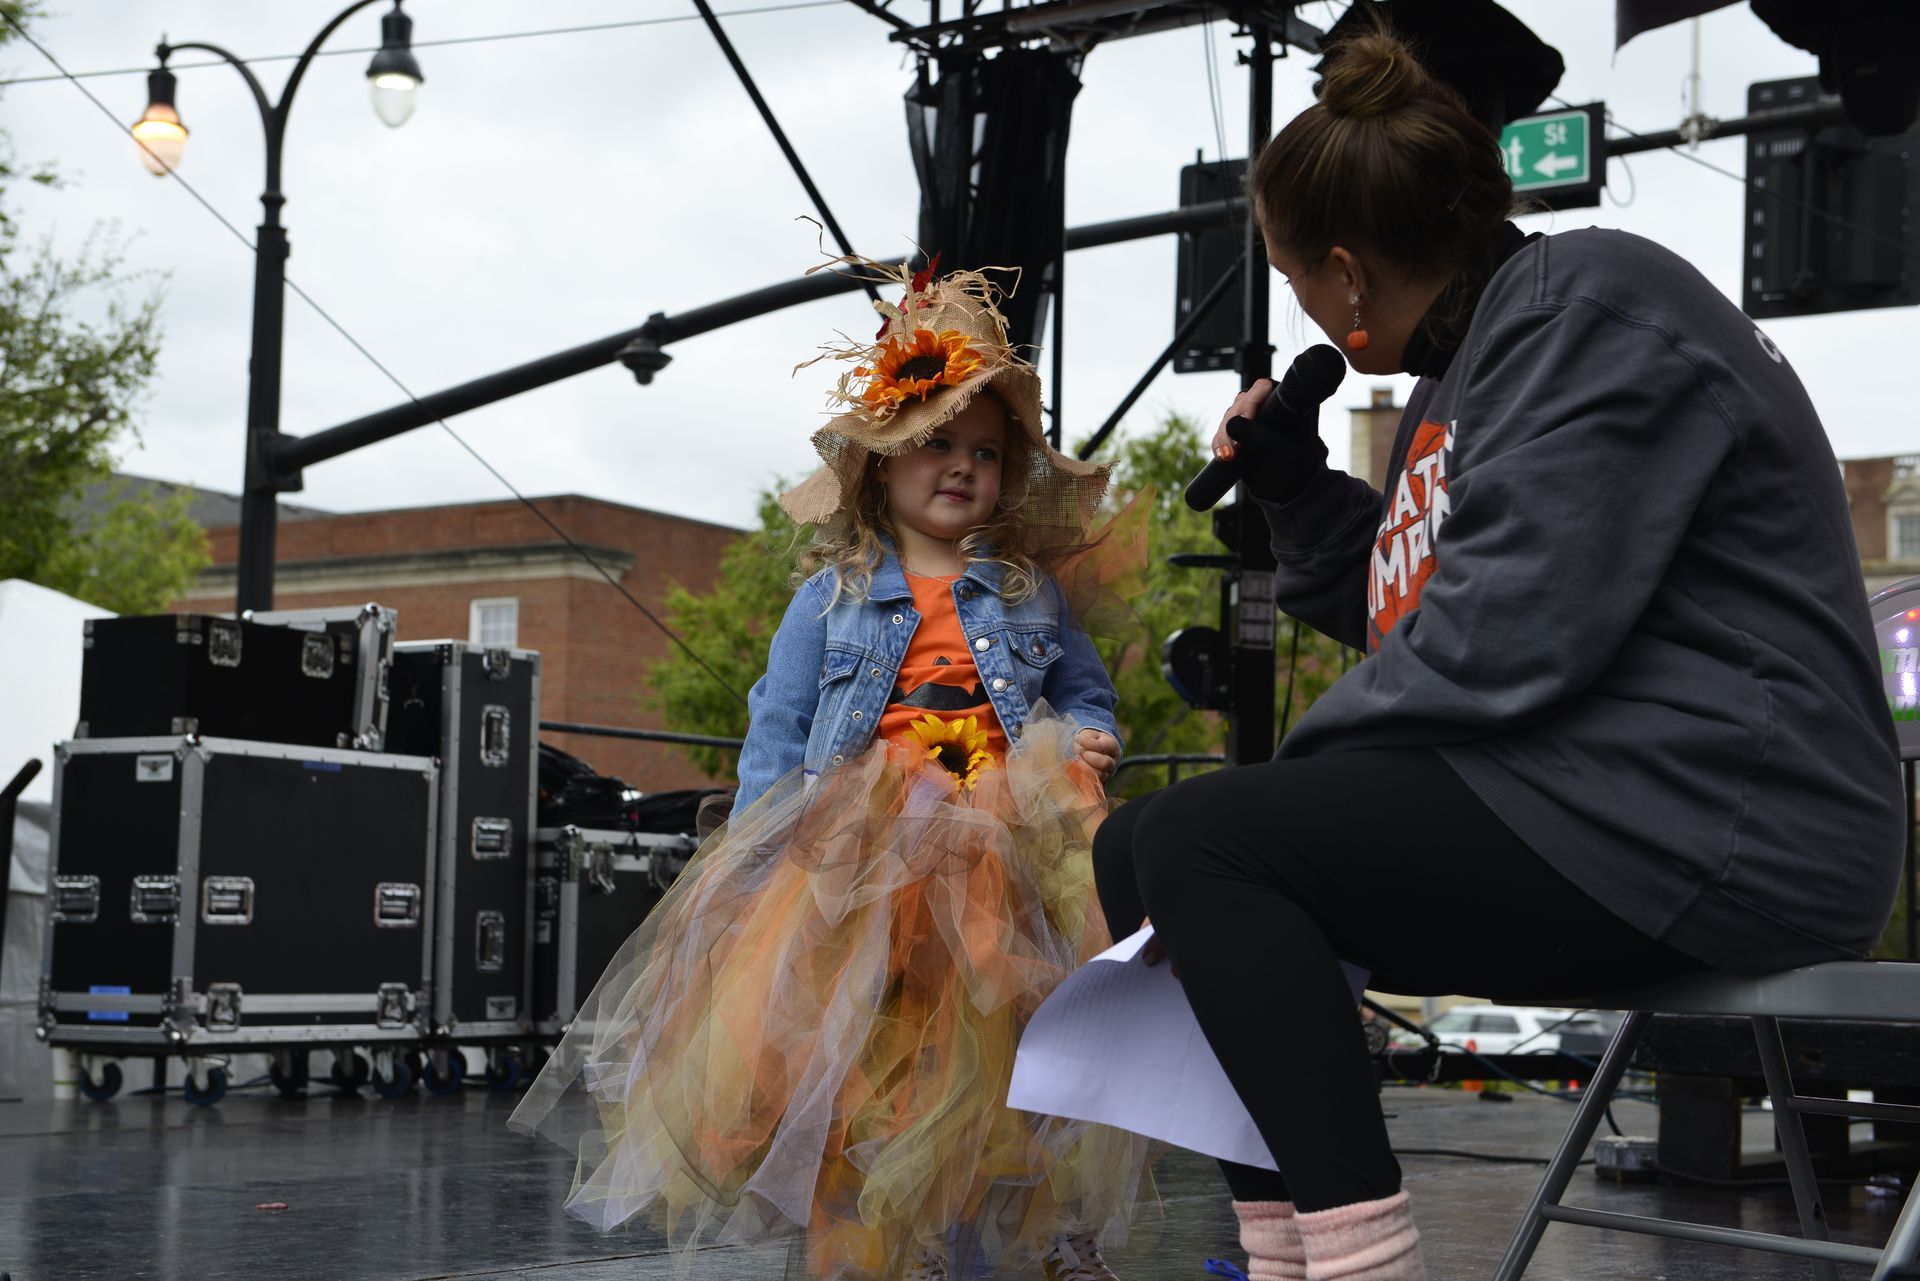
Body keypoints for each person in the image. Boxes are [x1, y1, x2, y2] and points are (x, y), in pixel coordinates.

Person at [1089, 22, 1905, 1281]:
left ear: (1348, 273)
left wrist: (1289, 792)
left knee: (1211, 839)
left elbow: (1505, 634)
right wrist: (1301, 489)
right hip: (1599, 799)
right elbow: (1426, 607)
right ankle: (1283, 1252)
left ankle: (1363, 1267)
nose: (1298, 301)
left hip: (1732, 820)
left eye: (1292, 275)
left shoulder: (1591, 303)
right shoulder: (1470, 366)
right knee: (1140, 845)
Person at [511, 262, 1150, 1281]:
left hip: (1010, 839)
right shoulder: (832, 599)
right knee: (861, 1054)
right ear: (880, 464)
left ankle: (1039, 1229)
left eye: (985, 452)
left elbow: (1084, 694)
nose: (961, 466)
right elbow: (781, 726)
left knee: (1030, 1040)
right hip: (864, 850)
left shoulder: (1029, 595)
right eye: (936, 442)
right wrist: (752, 857)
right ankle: (885, 1239)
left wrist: (1084, 733)